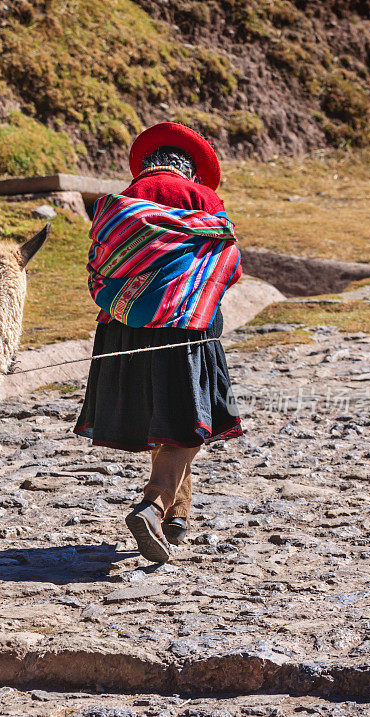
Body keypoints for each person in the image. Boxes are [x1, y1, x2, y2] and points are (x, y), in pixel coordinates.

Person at [74, 122, 243, 564]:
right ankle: (153, 505)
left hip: (122, 326)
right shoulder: (201, 199)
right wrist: (195, 285)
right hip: (184, 325)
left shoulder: (119, 203)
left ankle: (177, 515)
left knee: (168, 416)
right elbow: (227, 257)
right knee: (191, 420)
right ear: (188, 171)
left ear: (149, 165)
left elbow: (101, 261)